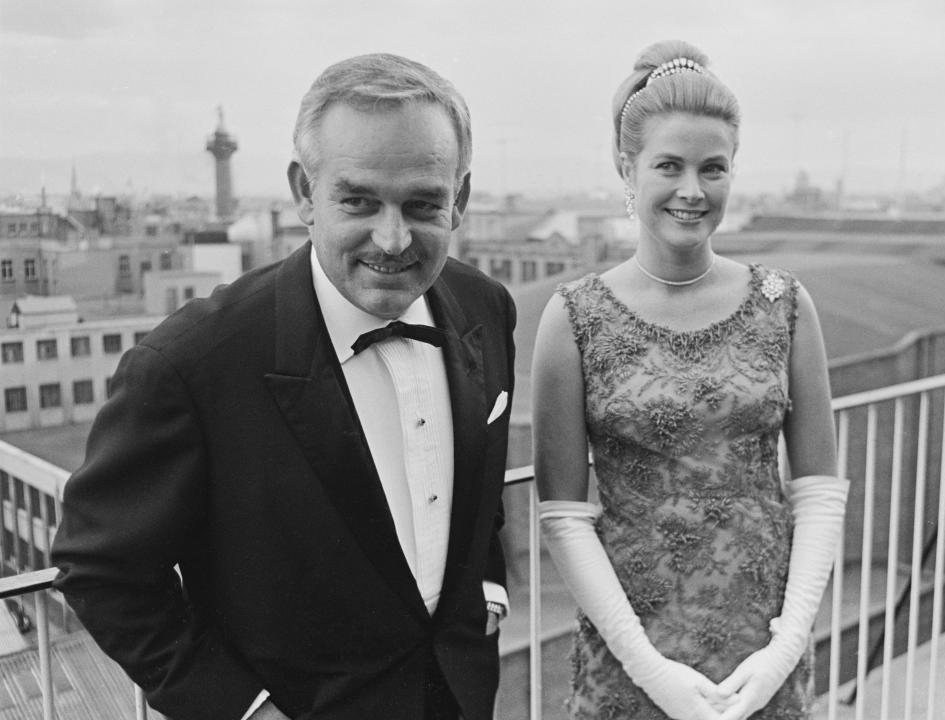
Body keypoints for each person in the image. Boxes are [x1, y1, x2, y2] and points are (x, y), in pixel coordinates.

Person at [52, 53, 516, 720]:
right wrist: (242, 709)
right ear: (304, 191)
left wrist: (488, 588)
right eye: (358, 200)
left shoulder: (485, 307)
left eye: (422, 204)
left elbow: (478, 494)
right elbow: (102, 570)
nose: (392, 238)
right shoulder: (190, 363)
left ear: (461, 200)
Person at [532, 40, 849, 720]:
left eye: (713, 169)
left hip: (760, 659)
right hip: (634, 662)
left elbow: (819, 490)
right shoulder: (573, 320)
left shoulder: (785, 305)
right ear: (627, 167)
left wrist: (784, 649)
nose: (692, 191)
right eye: (669, 166)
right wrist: (648, 670)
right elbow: (563, 516)